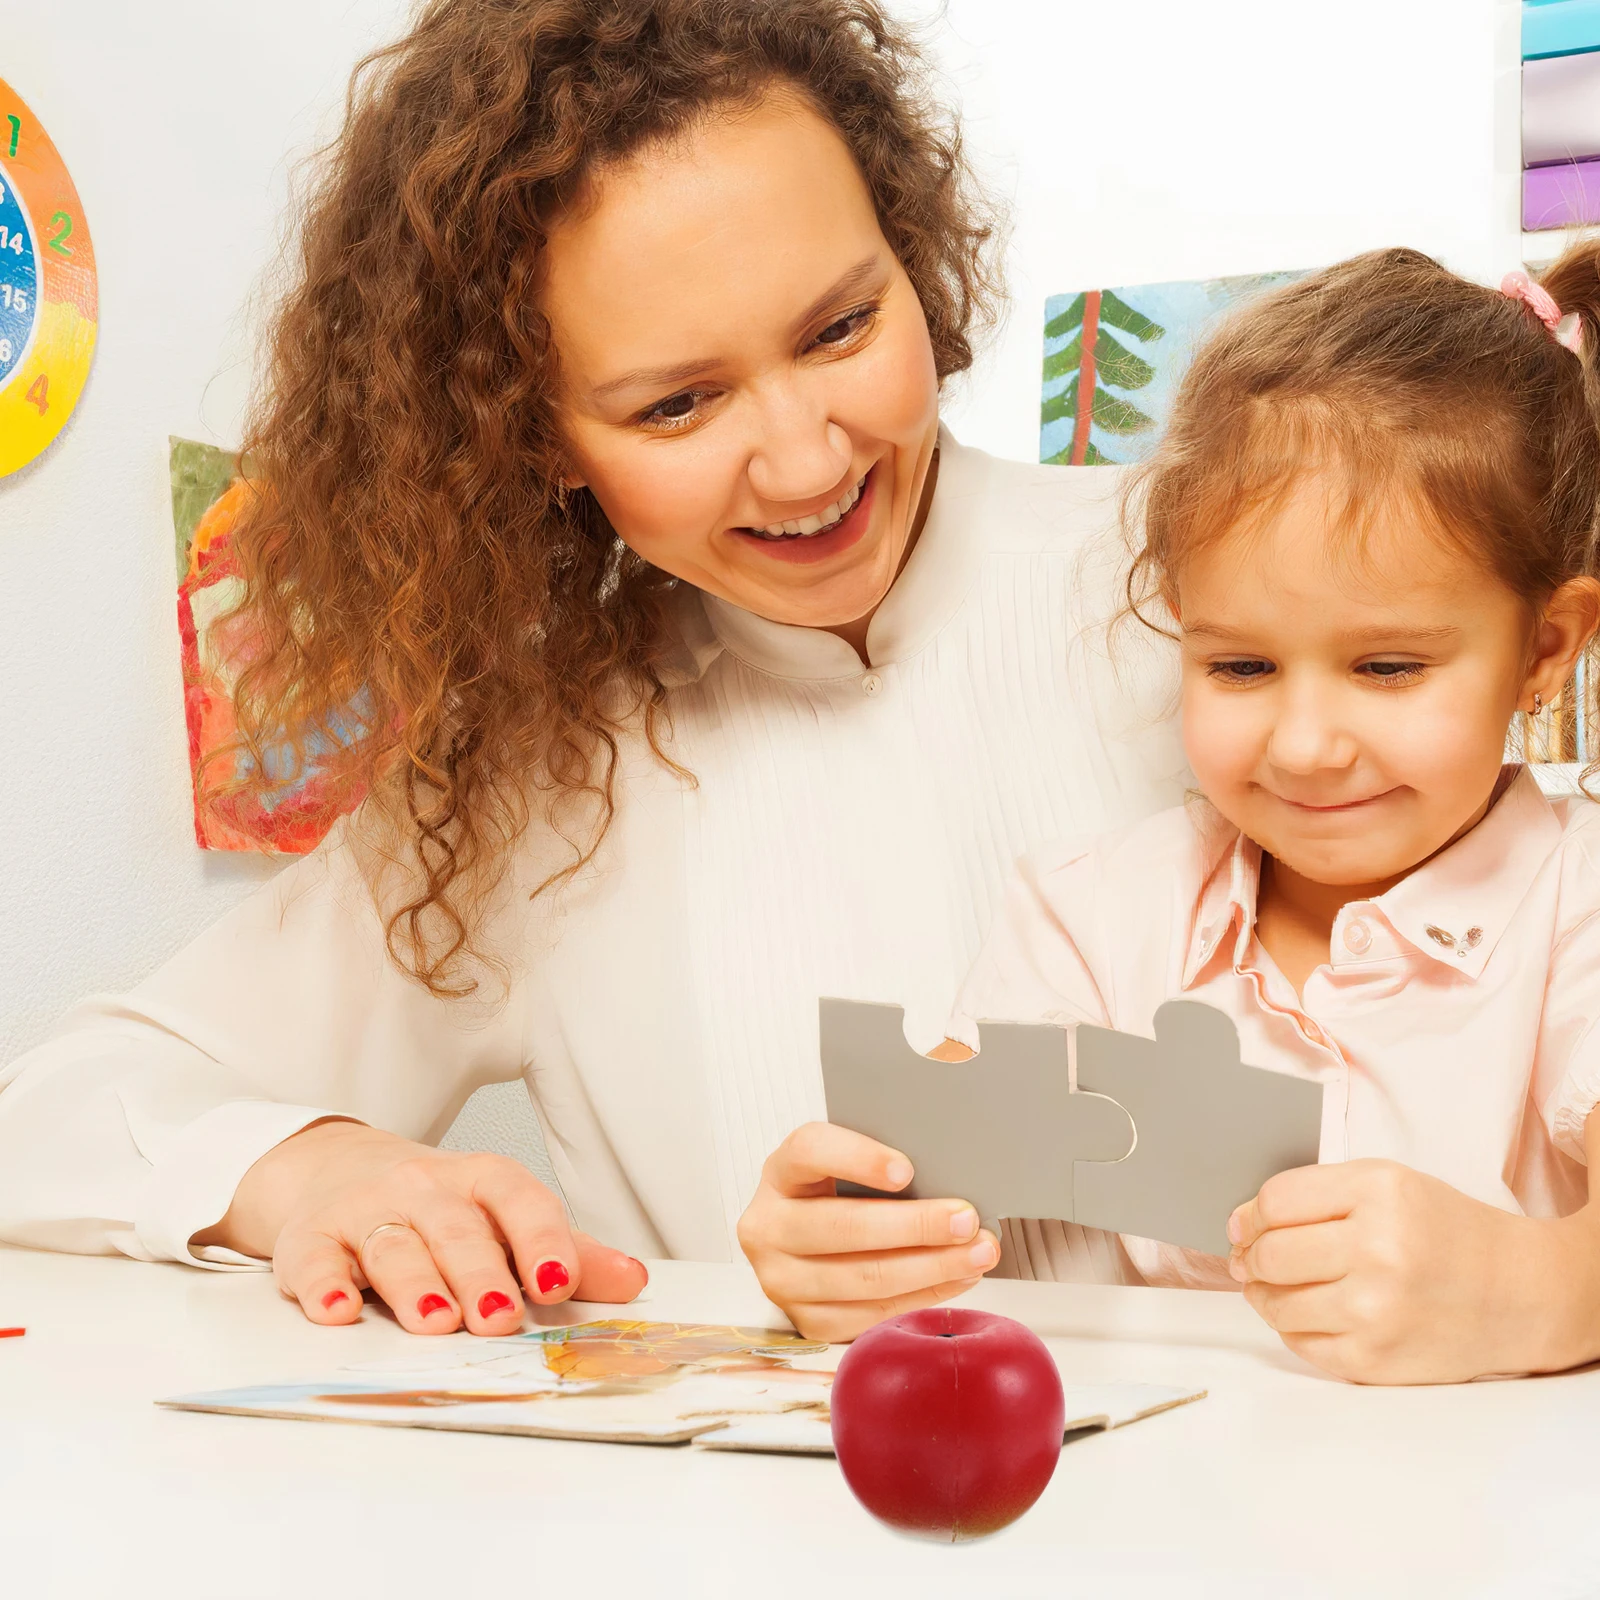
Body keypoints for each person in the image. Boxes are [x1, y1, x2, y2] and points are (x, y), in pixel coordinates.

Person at [0, 0, 1183, 1341]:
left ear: (908, 261)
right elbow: (58, 1109)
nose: (805, 464)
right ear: (539, 433)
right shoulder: (548, 772)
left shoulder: (1206, 591)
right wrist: (327, 1169)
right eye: (677, 404)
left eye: (842, 328)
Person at [946, 244, 1600, 1384]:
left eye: (1387, 667)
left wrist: (1538, 1294)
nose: (1302, 746)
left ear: (1543, 651)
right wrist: (857, 1231)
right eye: (1241, 667)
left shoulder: (1574, 898)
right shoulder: (1091, 911)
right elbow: (943, 1173)